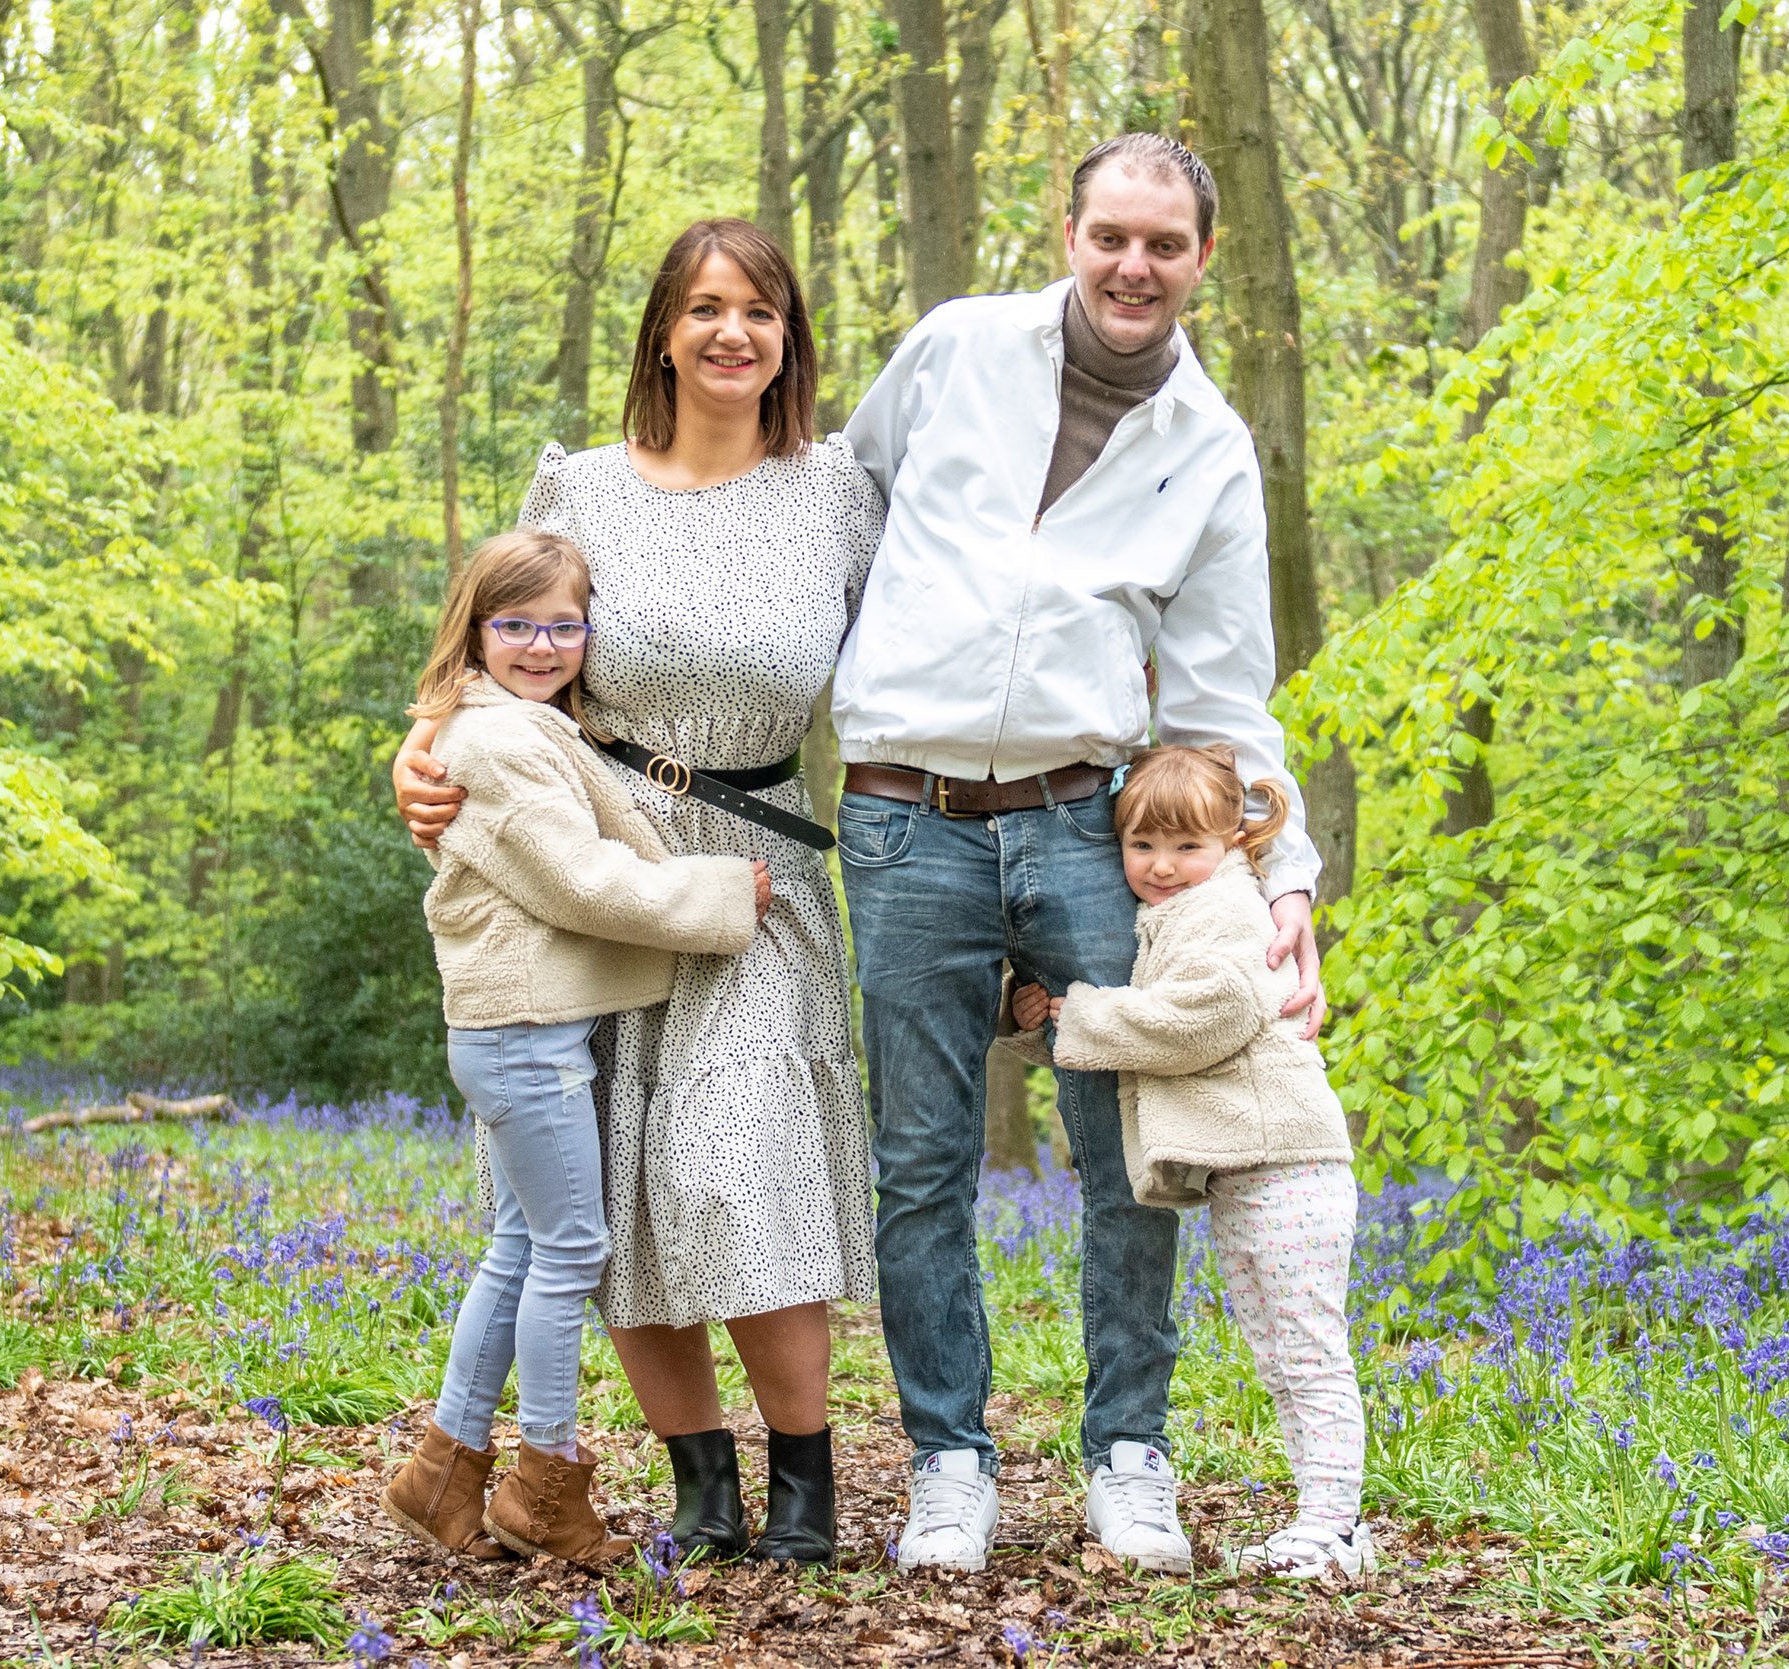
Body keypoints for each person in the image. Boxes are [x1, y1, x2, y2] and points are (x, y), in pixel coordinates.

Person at [835, 131, 1327, 1574]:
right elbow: (841, 521)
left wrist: (1282, 875)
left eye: (1164, 245)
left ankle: (1129, 1453)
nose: (1134, 265)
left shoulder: (1213, 448)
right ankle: (947, 1461)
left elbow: (1227, 699)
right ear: (1069, 232)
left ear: (1201, 262)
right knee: (921, 1158)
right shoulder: (953, 351)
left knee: (1131, 1142)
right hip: (899, 809)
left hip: (1083, 820)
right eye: (1112, 234)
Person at [392, 219, 882, 1567]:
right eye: (707, 308)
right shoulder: (583, 486)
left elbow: (915, 662)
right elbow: (491, 642)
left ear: (792, 338)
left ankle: (806, 1492)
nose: (735, 335)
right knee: (610, 1188)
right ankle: (698, 1494)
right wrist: (415, 752)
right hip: (587, 849)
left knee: (738, 1165)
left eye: (761, 313)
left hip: (758, 861)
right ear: (662, 330)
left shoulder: (837, 491)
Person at [381, 528, 771, 1567]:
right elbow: (584, 881)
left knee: (518, 1248)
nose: (544, 645)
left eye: (564, 625)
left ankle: (444, 1467)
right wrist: (725, 894)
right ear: (475, 631)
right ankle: (545, 1484)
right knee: (567, 1253)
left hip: (520, 1029)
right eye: (518, 625)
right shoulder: (500, 742)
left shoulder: (512, 724)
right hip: (523, 1035)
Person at [1007, 745, 1371, 1581]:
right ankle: (1325, 1521)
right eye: (1141, 847)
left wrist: (1084, 1012)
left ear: (1233, 844)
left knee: (1308, 1350)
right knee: (1281, 1351)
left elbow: (1203, 1018)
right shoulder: (1176, 913)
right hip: (1251, 1169)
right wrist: (1043, 1023)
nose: (1162, 867)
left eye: (1185, 847)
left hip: (1290, 1159)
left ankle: (1336, 1528)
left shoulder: (1229, 908)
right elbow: (1138, 1032)